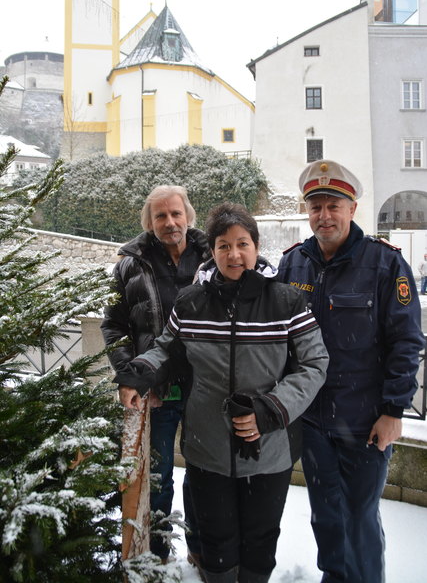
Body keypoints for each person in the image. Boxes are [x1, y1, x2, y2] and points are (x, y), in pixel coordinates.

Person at [118, 202, 329, 583]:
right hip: (207, 446)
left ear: (256, 246)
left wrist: (270, 409)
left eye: (242, 244)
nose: (234, 254)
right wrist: (137, 375)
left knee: (261, 538)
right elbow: (167, 348)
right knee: (216, 539)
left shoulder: (286, 302)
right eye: (224, 246)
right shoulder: (192, 302)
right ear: (212, 252)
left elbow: (315, 364)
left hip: (269, 447)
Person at [277, 160, 424, 583]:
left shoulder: (384, 264)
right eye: (316, 206)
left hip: (365, 421)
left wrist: (394, 411)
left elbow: (407, 342)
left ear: (352, 208)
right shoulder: (293, 265)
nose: (324, 215)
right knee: (325, 514)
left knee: (360, 517)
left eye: (333, 205)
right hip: (314, 420)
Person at [101, 185, 210, 567]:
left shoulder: (211, 254)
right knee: (158, 475)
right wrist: (132, 376)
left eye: (176, 214)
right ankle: (159, 553)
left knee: (204, 475)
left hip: (206, 389)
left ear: (188, 215)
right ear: (150, 222)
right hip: (158, 390)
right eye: (160, 216)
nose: (170, 222)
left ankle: (202, 550)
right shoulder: (130, 263)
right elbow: (113, 327)